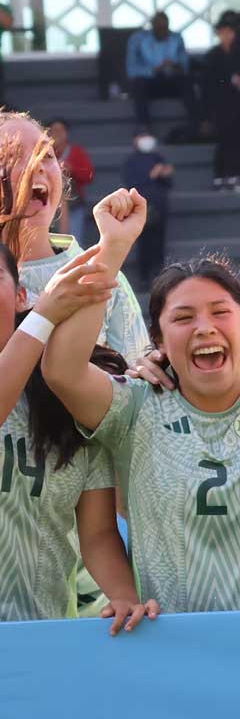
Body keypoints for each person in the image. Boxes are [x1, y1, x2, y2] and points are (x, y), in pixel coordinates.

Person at [43, 192, 240, 613]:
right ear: (158, 342)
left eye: (220, 312)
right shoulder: (136, 406)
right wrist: (113, 248)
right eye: (183, 318)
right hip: (170, 649)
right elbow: (62, 370)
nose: (204, 328)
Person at [0, 209, 154, 630]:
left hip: (41, 640)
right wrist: (45, 315)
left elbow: (100, 533)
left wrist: (125, 598)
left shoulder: (60, 405)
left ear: (19, 296)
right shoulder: (40, 315)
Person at [0, 111, 148, 358]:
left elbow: (138, 382)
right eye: (13, 156)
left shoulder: (105, 273)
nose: (35, 166)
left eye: (46, 155)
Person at [203, 13, 240, 191]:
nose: (227, 35)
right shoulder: (212, 56)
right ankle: (222, 176)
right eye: (223, 32)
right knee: (225, 141)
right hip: (221, 106)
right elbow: (208, 84)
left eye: (230, 32)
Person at [119, 131, 173, 292]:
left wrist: (165, 174)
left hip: (160, 207)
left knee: (159, 244)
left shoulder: (158, 158)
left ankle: (160, 277)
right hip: (141, 208)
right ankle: (144, 278)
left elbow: (168, 183)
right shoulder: (131, 161)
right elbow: (131, 183)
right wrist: (152, 175)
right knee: (144, 244)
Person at [126, 13, 197, 134]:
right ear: (152, 26)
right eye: (159, 28)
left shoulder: (176, 38)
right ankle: (144, 128)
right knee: (139, 83)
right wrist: (154, 70)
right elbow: (131, 70)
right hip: (149, 83)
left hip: (170, 81)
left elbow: (185, 66)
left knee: (187, 80)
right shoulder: (138, 39)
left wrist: (175, 65)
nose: (163, 32)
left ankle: (196, 123)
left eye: (165, 28)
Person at [46, 119, 92, 242]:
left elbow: (89, 176)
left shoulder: (76, 152)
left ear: (67, 133)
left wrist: (72, 169)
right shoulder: (43, 153)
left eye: (60, 131)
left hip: (74, 206)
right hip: (49, 208)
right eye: (53, 131)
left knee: (75, 242)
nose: (57, 134)